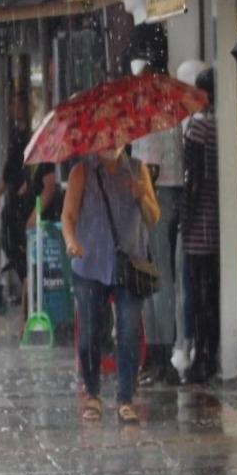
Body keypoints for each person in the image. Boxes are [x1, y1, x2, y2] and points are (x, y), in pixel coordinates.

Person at [61, 144, 160, 425]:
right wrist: (71, 241)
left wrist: (142, 196)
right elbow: (68, 216)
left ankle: (125, 398)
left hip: (129, 266)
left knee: (128, 331)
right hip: (89, 264)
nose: (110, 142)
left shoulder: (138, 170)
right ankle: (92, 394)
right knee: (91, 332)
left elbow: (154, 217)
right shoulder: (82, 172)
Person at [131, 68, 183, 387]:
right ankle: (157, 353)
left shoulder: (153, 117)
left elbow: (149, 168)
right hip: (166, 194)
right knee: (155, 277)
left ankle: (161, 355)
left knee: (157, 277)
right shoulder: (166, 112)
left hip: (157, 197)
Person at [182, 68, 220, 385]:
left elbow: (193, 176)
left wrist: (185, 218)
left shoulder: (198, 126)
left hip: (199, 228)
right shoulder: (221, 125)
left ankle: (202, 357)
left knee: (197, 294)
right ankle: (210, 352)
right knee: (211, 294)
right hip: (217, 225)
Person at [0, 95, 31, 290]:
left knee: (17, 240)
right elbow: (9, 169)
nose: (13, 108)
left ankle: (27, 280)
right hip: (13, 193)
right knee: (8, 241)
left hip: (24, 197)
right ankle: (25, 280)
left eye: (16, 104)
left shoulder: (30, 134)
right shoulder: (15, 134)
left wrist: (28, 183)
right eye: (11, 104)